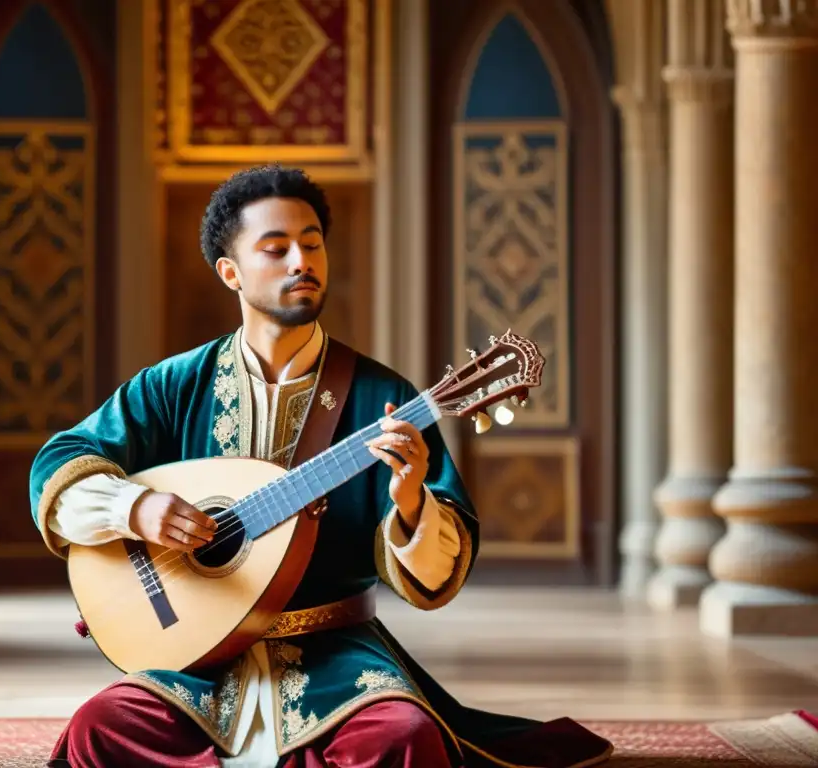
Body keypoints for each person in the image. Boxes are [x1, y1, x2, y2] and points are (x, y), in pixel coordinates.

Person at [30, 165, 613, 767]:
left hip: (334, 654)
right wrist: (137, 508)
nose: (300, 261)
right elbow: (60, 462)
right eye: (275, 248)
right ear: (230, 272)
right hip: (197, 660)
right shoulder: (176, 384)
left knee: (403, 739)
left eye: (312, 244)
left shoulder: (382, 396)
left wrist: (412, 501)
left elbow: (439, 572)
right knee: (100, 729)